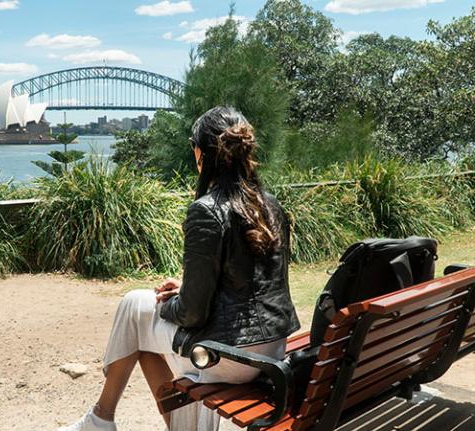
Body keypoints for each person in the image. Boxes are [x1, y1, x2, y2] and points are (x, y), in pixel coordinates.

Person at [57, 106, 300, 431]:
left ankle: (100, 418)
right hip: (271, 347)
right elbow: (250, 287)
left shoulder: (206, 210)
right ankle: (105, 420)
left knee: (134, 307)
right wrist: (187, 288)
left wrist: (173, 303)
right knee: (140, 327)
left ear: (202, 153)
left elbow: (192, 314)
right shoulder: (270, 205)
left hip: (228, 355)